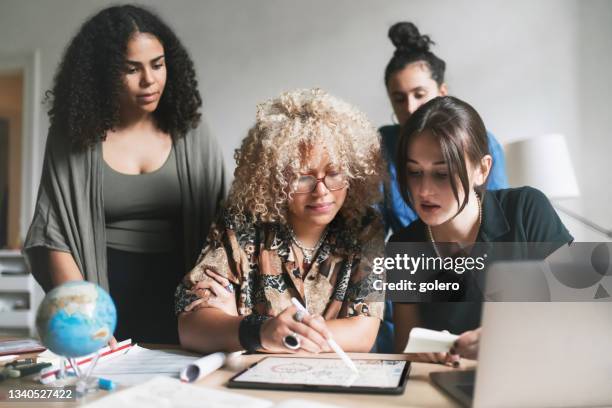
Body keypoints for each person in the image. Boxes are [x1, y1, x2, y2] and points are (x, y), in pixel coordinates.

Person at [23, 5, 226, 344]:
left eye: (157, 65)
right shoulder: (72, 136)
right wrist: (87, 319)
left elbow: (226, 229)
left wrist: (214, 308)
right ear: (101, 74)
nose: (149, 80)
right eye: (131, 69)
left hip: (186, 297)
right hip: (100, 294)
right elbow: (53, 235)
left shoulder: (191, 131)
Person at [175, 89, 385, 354]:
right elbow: (191, 328)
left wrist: (245, 327)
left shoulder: (365, 227)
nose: (321, 191)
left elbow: (362, 334)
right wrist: (261, 331)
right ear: (273, 179)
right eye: (302, 177)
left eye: (333, 173)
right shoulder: (242, 223)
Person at [390, 96, 573, 364]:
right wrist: (421, 353)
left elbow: (577, 312)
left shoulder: (527, 208)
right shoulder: (402, 246)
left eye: (442, 174)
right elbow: (404, 347)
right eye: (414, 173)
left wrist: (506, 338)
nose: (423, 191)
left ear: (483, 169)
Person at [376, 21, 509, 352]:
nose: (410, 108)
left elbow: (496, 218)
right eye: (399, 98)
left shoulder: (483, 147)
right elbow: (371, 227)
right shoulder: (379, 147)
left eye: (420, 94)